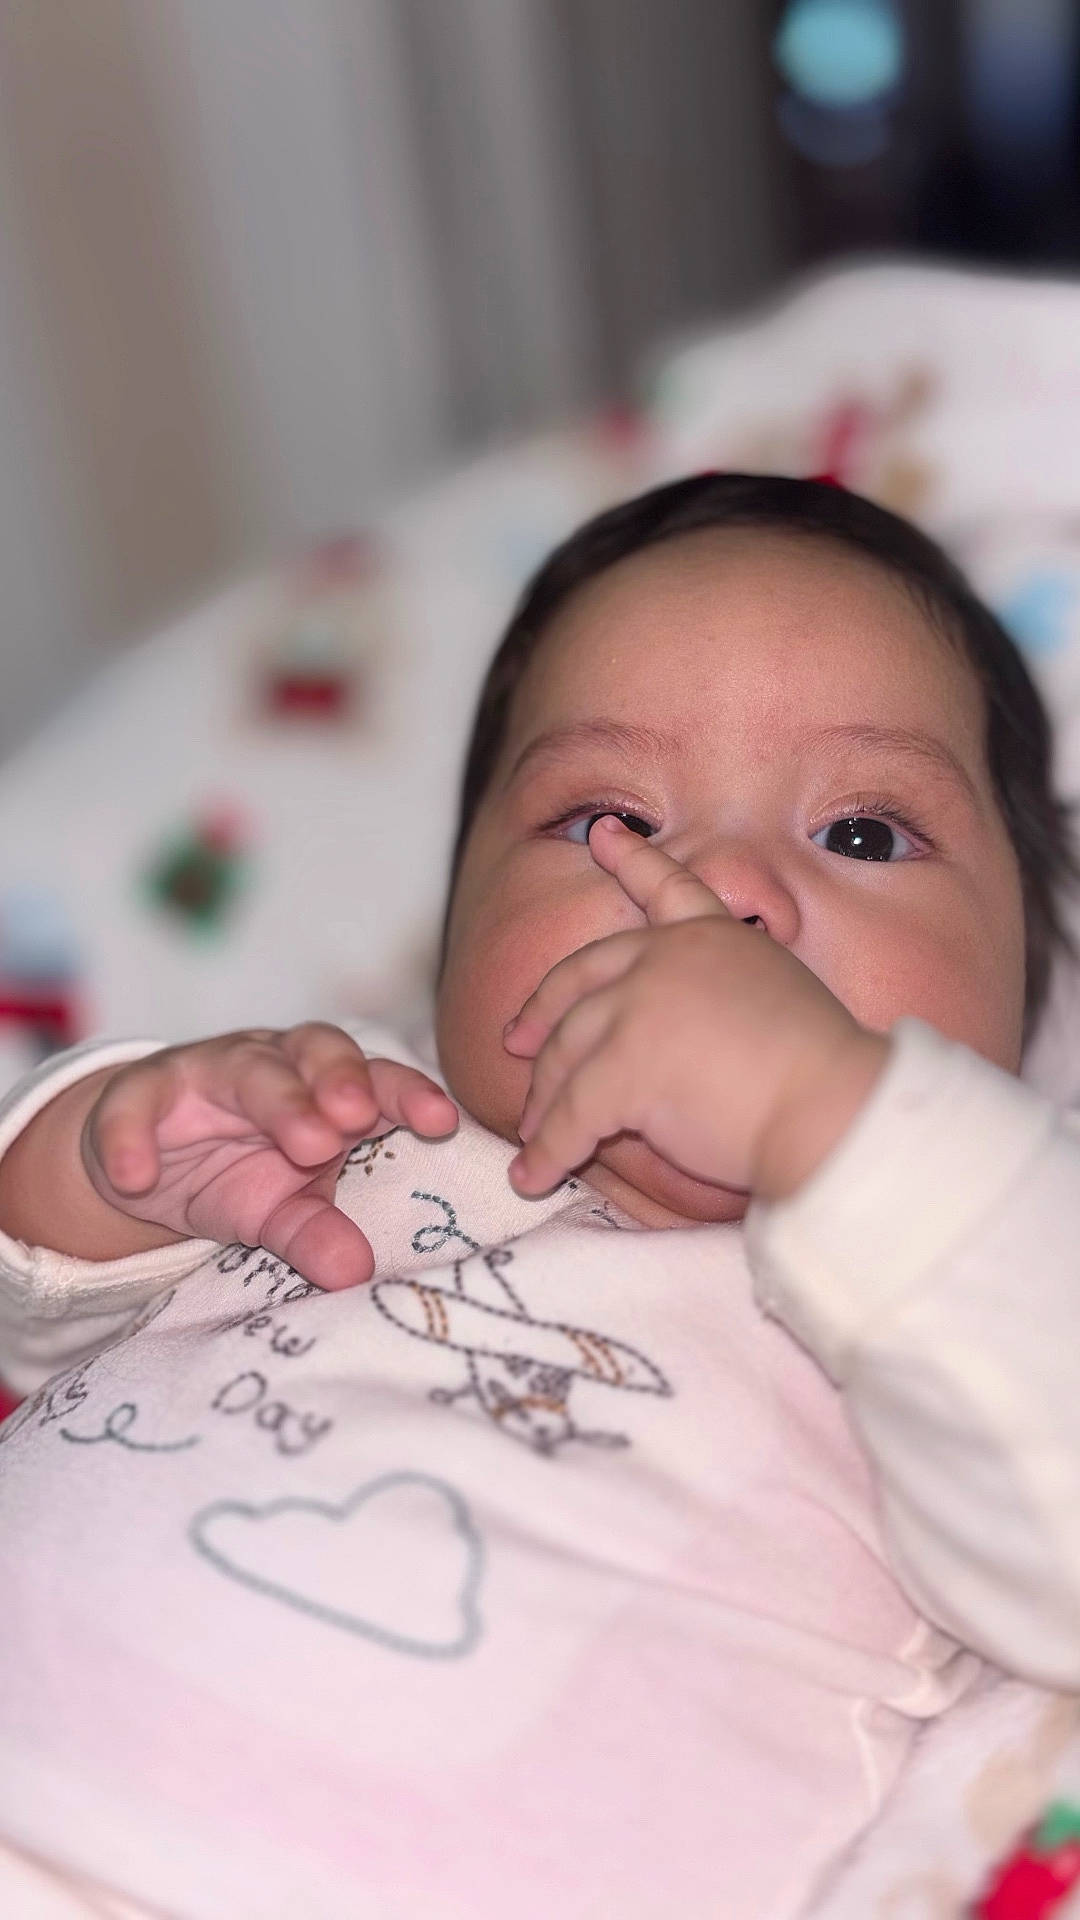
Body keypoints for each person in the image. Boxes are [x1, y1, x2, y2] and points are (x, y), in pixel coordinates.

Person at [1, 472, 1080, 1920]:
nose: (727, 889)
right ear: (452, 942)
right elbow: (31, 1323)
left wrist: (838, 1119)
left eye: (865, 833)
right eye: (605, 818)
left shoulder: (966, 1267)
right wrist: (98, 1161)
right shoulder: (355, 1116)